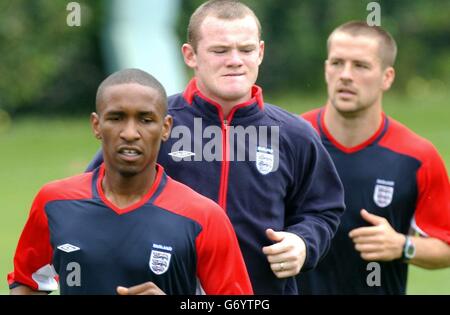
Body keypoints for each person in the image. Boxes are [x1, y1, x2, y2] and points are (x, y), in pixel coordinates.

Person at [87, 0, 345, 294]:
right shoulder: (151, 123)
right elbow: (93, 198)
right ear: (190, 55)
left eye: (246, 49)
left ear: (260, 52)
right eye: (220, 51)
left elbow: (322, 209)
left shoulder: (294, 134)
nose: (235, 60)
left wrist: (303, 242)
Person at [8, 68, 253, 295]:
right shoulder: (54, 202)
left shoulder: (203, 217)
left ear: (166, 127)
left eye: (145, 120)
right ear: (96, 125)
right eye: (116, 118)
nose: (130, 133)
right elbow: (29, 283)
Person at [299, 21, 450, 294]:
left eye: (361, 66)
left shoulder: (416, 156)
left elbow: (446, 245)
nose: (345, 75)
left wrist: (402, 246)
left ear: (387, 77)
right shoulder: (291, 141)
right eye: (337, 63)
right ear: (325, 69)